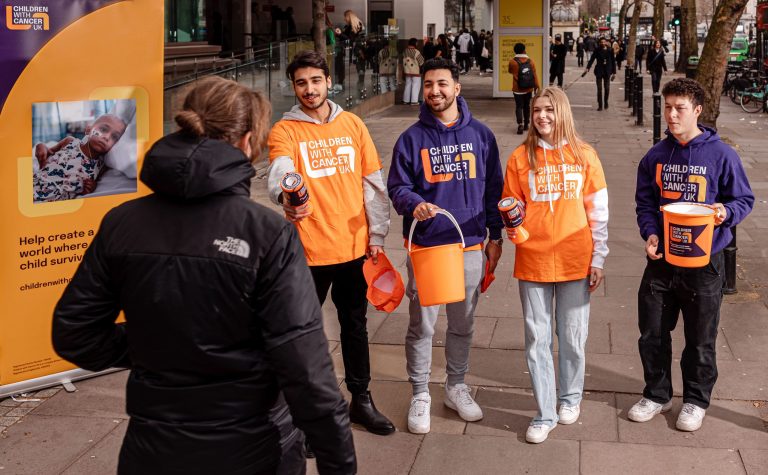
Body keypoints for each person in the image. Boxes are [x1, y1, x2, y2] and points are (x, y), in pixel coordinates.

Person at [51, 76, 357, 474]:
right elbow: (307, 372)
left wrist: (158, 345)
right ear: (247, 141)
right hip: (256, 449)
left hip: (153, 450)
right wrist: (340, 465)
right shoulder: (267, 233)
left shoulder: (121, 222)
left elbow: (75, 334)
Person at [267, 51, 395, 437]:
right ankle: (305, 416)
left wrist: (376, 235)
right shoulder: (285, 131)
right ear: (294, 87)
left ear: (328, 82)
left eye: (316, 81)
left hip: (355, 248)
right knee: (304, 335)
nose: (310, 89)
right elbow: (280, 172)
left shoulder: (353, 124)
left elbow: (373, 183)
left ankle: (362, 399)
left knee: (354, 327)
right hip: (306, 253)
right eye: (301, 83)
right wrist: (287, 197)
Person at [387, 57, 504, 435]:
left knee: (462, 324)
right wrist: (412, 203)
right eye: (428, 85)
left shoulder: (482, 136)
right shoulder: (411, 139)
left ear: (457, 87)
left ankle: (455, 386)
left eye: (441, 84)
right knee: (422, 325)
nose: (434, 91)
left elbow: (493, 191)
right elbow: (397, 186)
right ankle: (420, 392)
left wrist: (495, 236)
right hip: (429, 249)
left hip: (470, 246)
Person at [632, 78, 754, 432]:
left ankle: (696, 401)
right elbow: (645, 203)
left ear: (697, 111)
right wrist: (650, 233)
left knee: (700, 338)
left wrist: (724, 213)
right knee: (652, 333)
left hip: (705, 264)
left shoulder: (722, 155)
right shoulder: (655, 156)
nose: (671, 114)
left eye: (679, 108)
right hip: (662, 262)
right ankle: (657, 394)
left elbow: (743, 199)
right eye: (667, 106)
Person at [503, 86, 609, 444]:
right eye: (536, 111)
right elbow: (510, 205)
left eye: (549, 109)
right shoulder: (520, 157)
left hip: (575, 259)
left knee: (573, 337)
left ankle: (570, 397)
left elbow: (598, 211)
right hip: (532, 259)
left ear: (561, 112)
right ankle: (545, 411)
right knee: (537, 338)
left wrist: (599, 257)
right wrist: (513, 229)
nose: (542, 117)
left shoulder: (585, 156)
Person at [33, 114, 126, 202]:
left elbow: (93, 185)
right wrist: (41, 146)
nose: (107, 137)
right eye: (103, 129)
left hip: (53, 201)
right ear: (88, 129)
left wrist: (92, 187)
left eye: (114, 137)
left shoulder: (101, 166)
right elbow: (48, 152)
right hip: (34, 186)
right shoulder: (69, 142)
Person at [508, 42, 540, 135]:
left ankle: (520, 124)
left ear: (515, 51)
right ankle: (526, 124)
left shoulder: (512, 62)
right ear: (524, 50)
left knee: (519, 106)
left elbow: (510, 71)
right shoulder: (531, 61)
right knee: (527, 106)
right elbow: (534, 75)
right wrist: (536, 86)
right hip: (528, 89)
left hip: (517, 89)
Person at [585, 37, 616, 111]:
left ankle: (606, 102)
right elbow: (592, 59)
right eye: (601, 42)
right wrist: (587, 68)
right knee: (599, 89)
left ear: (606, 42)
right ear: (599, 43)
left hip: (607, 71)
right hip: (599, 71)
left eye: (604, 42)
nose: (602, 43)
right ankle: (600, 105)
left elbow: (613, 61)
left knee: (607, 88)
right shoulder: (597, 50)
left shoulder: (610, 50)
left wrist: (614, 72)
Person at [402, 37, 425, 105]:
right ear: (414, 43)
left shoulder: (404, 51)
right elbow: (421, 62)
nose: (417, 44)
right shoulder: (416, 52)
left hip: (407, 71)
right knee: (415, 85)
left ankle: (406, 100)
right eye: (416, 42)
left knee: (407, 85)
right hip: (415, 72)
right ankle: (414, 101)